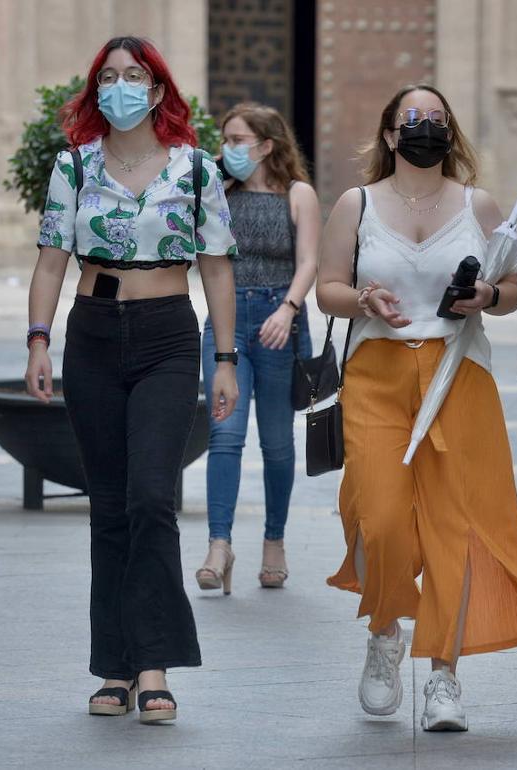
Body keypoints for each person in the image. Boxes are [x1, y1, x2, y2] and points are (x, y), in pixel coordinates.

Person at [316, 84, 517, 732]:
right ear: (389, 134)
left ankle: (444, 677)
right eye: (414, 118)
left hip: (459, 372)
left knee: (454, 529)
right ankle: (385, 632)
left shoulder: (477, 203)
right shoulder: (357, 204)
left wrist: (487, 293)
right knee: (378, 519)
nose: (426, 127)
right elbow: (327, 290)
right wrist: (362, 301)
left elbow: (511, 288)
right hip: (377, 372)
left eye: (437, 118)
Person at [25, 36, 239, 724]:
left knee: (152, 497)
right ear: (98, 92)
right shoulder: (74, 167)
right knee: (111, 505)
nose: (120, 87)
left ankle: (154, 663)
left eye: (133, 76)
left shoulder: (197, 169)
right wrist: (37, 342)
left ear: (155, 91)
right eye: (107, 77)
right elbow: (52, 260)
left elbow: (218, 268)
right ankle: (116, 667)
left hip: (168, 337)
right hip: (91, 334)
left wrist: (225, 358)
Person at [195, 103, 320, 593]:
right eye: (225, 140)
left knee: (276, 443)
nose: (229, 149)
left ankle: (274, 542)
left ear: (267, 146)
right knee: (224, 435)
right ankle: (218, 545)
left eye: (238, 140)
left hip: (277, 321)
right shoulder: (217, 192)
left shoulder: (298, 193)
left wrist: (287, 310)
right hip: (227, 324)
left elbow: (309, 261)